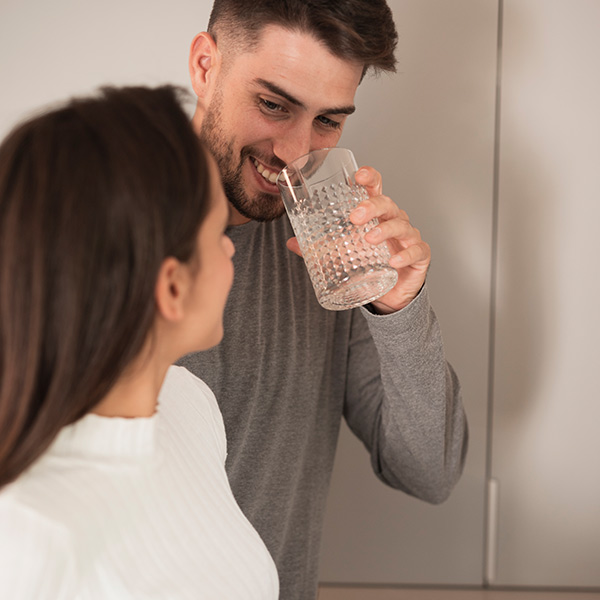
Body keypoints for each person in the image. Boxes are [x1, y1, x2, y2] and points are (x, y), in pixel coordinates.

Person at [177, 0, 469, 598]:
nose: (293, 152)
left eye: (329, 121)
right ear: (206, 66)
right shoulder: (90, 226)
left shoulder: (332, 248)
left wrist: (399, 309)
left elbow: (430, 473)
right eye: (274, 105)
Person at [0, 85, 278, 598]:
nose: (231, 250)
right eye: (219, 231)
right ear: (172, 287)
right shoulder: (28, 545)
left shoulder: (190, 404)